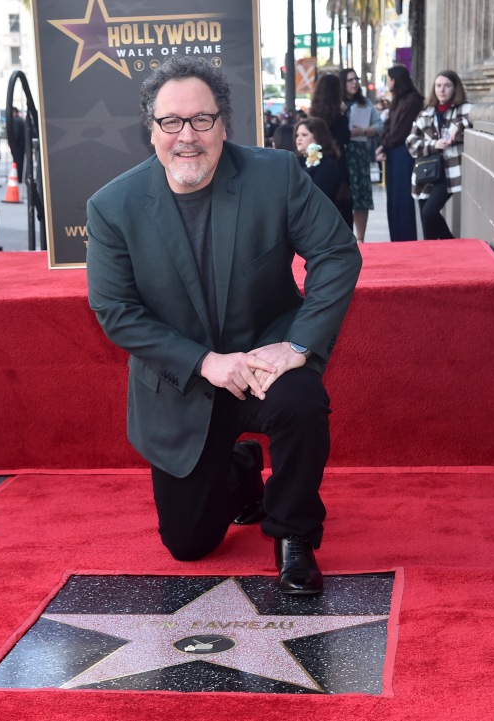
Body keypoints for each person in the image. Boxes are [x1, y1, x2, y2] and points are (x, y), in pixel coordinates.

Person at [86, 56, 362, 596]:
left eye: (201, 120)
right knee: (189, 545)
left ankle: (293, 534)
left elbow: (336, 253)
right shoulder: (112, 207)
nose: (186, 136)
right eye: (171, 122)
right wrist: (205, 363)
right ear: (152, 129)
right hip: (184, 381)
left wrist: (299, 344)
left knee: (303, 398)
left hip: (265, 365)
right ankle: (239, 470)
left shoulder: (275, 175)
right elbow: (116, 310)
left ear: (224, 125)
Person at [406, 70, 473, 240]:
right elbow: (411, 143)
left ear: (455, 88)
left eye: (447, 86)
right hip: (426, 172)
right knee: (426, 221)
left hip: (448, 173)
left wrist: (456, 126)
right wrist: (433, 145)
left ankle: (452, 244)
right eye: (438, 86)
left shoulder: (464, 109)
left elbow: (472, 118)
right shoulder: (426, 113)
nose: (442, 90)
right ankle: (436, 257)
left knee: (429, 213)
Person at [374, 66, 424, 241]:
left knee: (403, 197)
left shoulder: (412, 100)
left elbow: (401, 132)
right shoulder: (398, 99)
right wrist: (384, 145)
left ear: (395, 80)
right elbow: (389, 126)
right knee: (393, 197)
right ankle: (396, 238)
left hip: (405, 153)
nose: (387, 82)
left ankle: (405, 239)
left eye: (388, 79)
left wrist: (384, 145)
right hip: (394, 152)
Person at [340, 68, 380, 242]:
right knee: (344, 195)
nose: (354, 82)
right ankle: (345, 238)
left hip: (359, 152)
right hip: (341, 154)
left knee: (361, 196)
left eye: (356, 79)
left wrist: (363, 130)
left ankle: (361, 239)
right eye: (350, 80)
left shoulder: (365, 103)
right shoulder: (336, 103)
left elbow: (379, 126)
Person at [307, 74, 352, 229]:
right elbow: (345, 136)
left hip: (317, 158)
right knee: (343, 204)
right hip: (338, 160)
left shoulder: (313, 113)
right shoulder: (338, 116)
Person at [294, 117, 350, 224]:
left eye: (304, 135)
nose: (298, 139)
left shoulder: (327, 164)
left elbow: (317, 198)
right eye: (297, 135)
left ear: (317, 138)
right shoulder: (297, 160)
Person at [7, 107, 26, 183]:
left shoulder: (16, 121)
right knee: (20, 162)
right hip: (21, 144)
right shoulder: (20, 120)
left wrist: (12, 144)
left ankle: (19, 177)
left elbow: (16, 134)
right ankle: (21, 176)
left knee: (18, 162)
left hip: (18, 145)